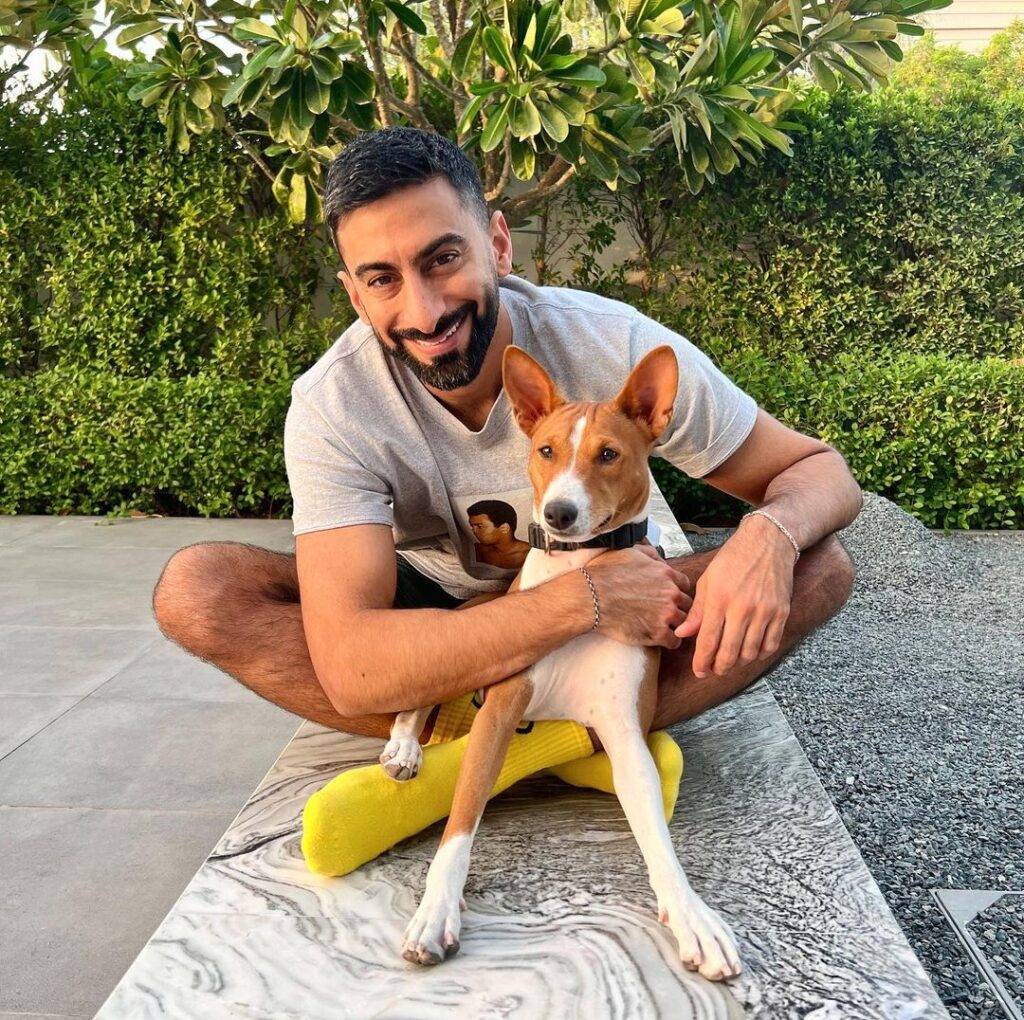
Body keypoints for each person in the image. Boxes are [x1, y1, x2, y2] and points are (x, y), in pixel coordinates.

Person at [152, 127, 861, 869]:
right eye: (383, 278)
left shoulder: (610, 344)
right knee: (199, 589)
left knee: (820, 565)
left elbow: (820, 472)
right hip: (441, 612)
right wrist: (582, 603)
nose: (424, 311)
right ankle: (563, 742)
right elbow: (352, 668)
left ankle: (502, 744)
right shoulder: (336, 405)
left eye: (443, 258)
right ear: (356, 293)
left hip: (607, 584)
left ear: (497, 244)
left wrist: (767, 536)